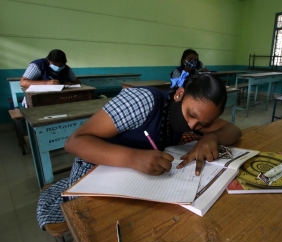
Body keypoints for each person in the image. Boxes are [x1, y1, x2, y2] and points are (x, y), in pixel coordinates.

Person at [36, 74, 242, 229]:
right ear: (179, 94)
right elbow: (74, 143)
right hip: (96, 174)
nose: (192, 125)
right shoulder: (142, 101)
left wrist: (210, 137)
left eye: (202, 124)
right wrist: (133, 157)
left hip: (135, 182)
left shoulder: (196, 119)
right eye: (190, 114)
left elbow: (233, 130)